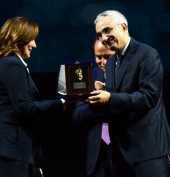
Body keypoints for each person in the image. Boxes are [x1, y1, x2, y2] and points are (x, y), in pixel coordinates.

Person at [87, 10, 170, 177]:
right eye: (99, 34)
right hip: (120, 150)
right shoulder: (111, 63)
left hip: (148, 149)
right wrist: (104, 94)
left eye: (107, 30)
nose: (103, 37)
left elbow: (148, 97)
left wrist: (110, 97)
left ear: (124, 27)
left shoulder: (147, 54)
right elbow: (118, 98)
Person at [0, 17, 66, 177]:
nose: (34, 45)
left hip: (9, 147)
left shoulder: (7, 63)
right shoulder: (11, 64)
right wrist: (62, 103)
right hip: (9, 148)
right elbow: (25, 108)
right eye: (31, 39)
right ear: (19, 38)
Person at [72, 39, 115, 177]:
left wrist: (110, 97)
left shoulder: (127, 76)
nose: (102, 62)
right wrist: (95, 102)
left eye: (107, 57)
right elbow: (77, 116)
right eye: (98, 57)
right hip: (97, 153)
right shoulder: (89, 77)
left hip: (123, 149)